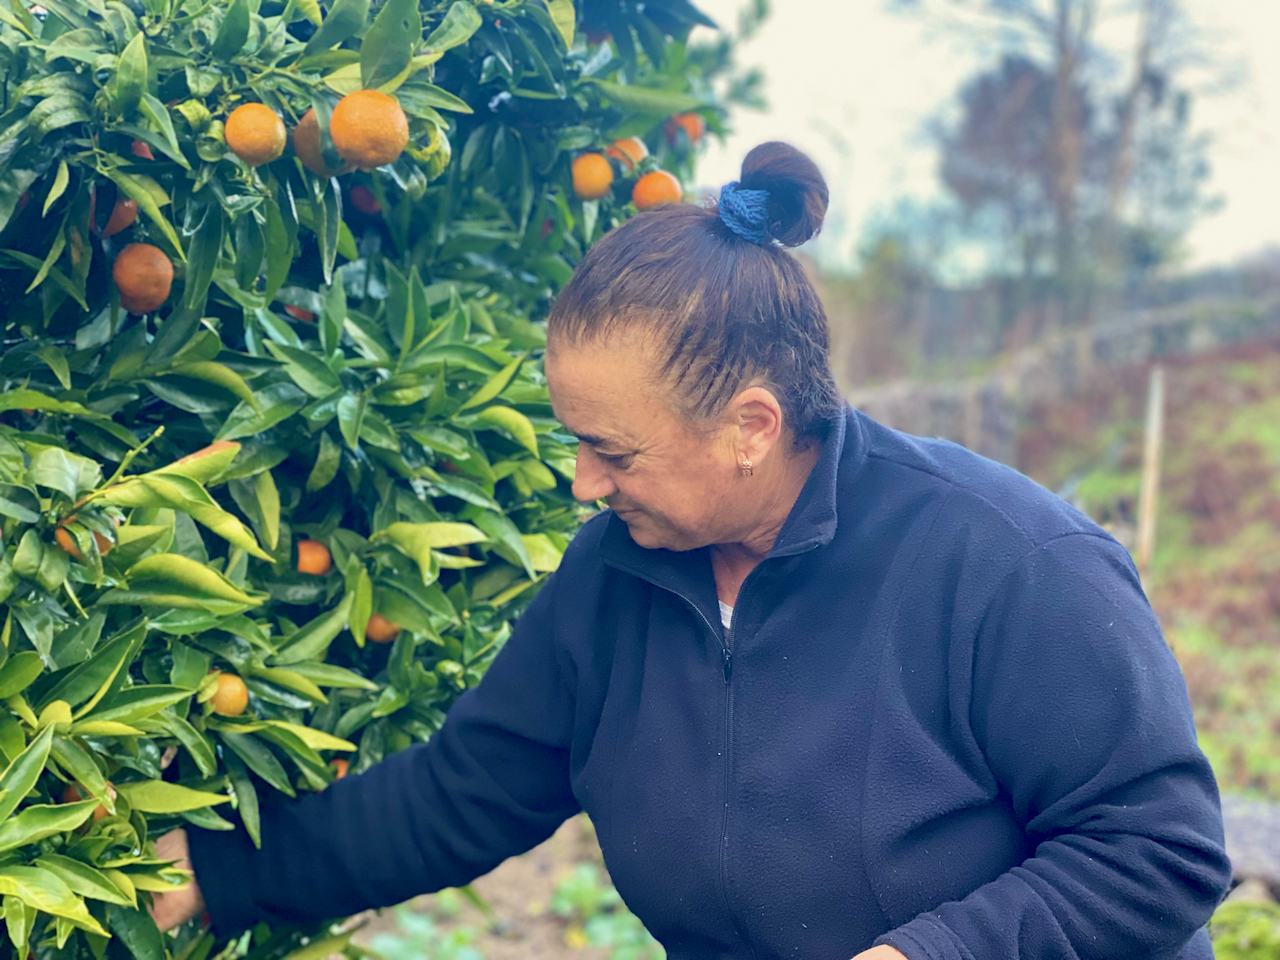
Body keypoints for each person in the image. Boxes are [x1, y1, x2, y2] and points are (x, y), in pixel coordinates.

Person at [153, 142, 1231, 960]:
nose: (580, 483)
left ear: (749, 429)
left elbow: (1158, 850)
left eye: (607, 449)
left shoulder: (1008, 566)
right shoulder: (618, 574)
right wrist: (217, 867)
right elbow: (464, 794)